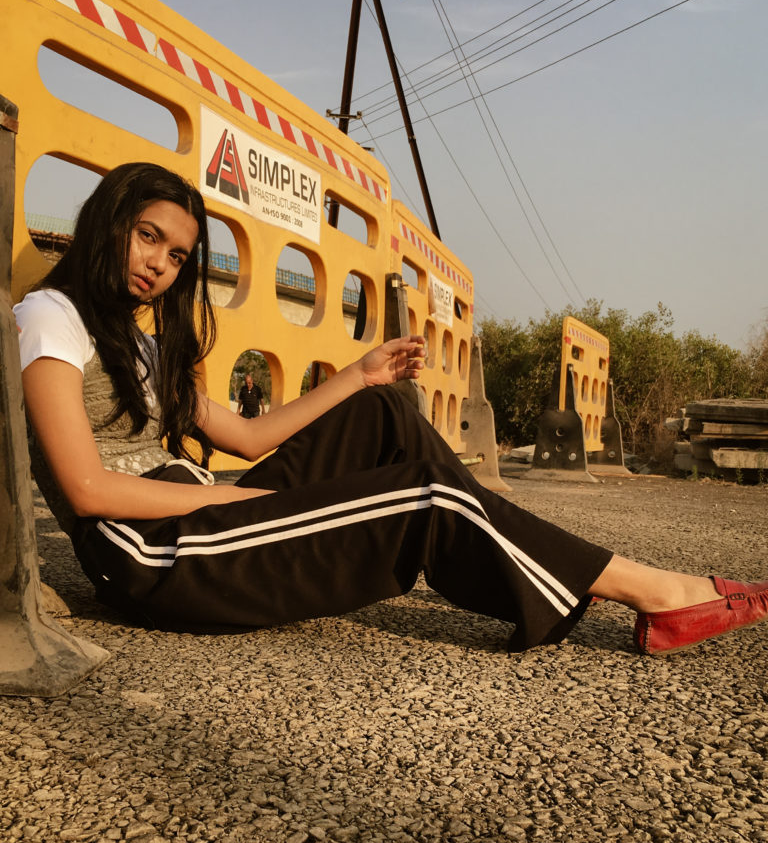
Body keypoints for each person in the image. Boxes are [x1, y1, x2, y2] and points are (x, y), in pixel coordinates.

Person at [12, 162, 768, 656]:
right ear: (108, 222)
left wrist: (360, 375)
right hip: (151, 556)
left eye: (177, 255)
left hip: (197, 514)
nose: (159, 264)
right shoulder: (50, 317)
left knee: (386, 412)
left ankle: (537, 560)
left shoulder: (138, 344)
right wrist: (237, 506)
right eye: (148, 236)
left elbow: (246, 436)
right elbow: (87, 490)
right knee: (430, 496)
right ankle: (649, 591)